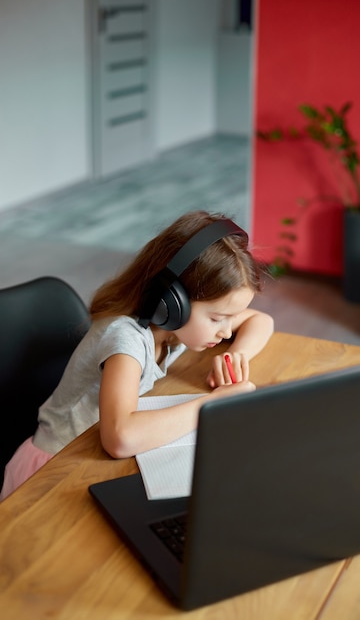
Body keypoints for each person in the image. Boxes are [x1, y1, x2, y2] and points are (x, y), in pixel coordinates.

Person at [0, 211, 274, 500]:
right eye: (218, 318)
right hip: (51, 470)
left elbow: (261, 321)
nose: (225, 330)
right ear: (172, 302)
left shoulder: (172, 327)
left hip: (90, 460)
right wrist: (212, 404)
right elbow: (120, 438)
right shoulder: (126, 340)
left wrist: (236, 354)